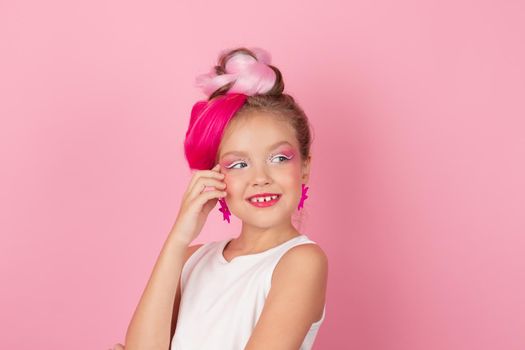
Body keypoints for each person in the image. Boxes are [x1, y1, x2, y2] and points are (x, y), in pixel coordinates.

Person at [111, 47, 328, 350]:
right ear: (215, 176)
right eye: (239, 164)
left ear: (304, 166)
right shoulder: (191, 260)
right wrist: (178, 238)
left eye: (279, 158)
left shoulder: (300, 262)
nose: (260, 177)